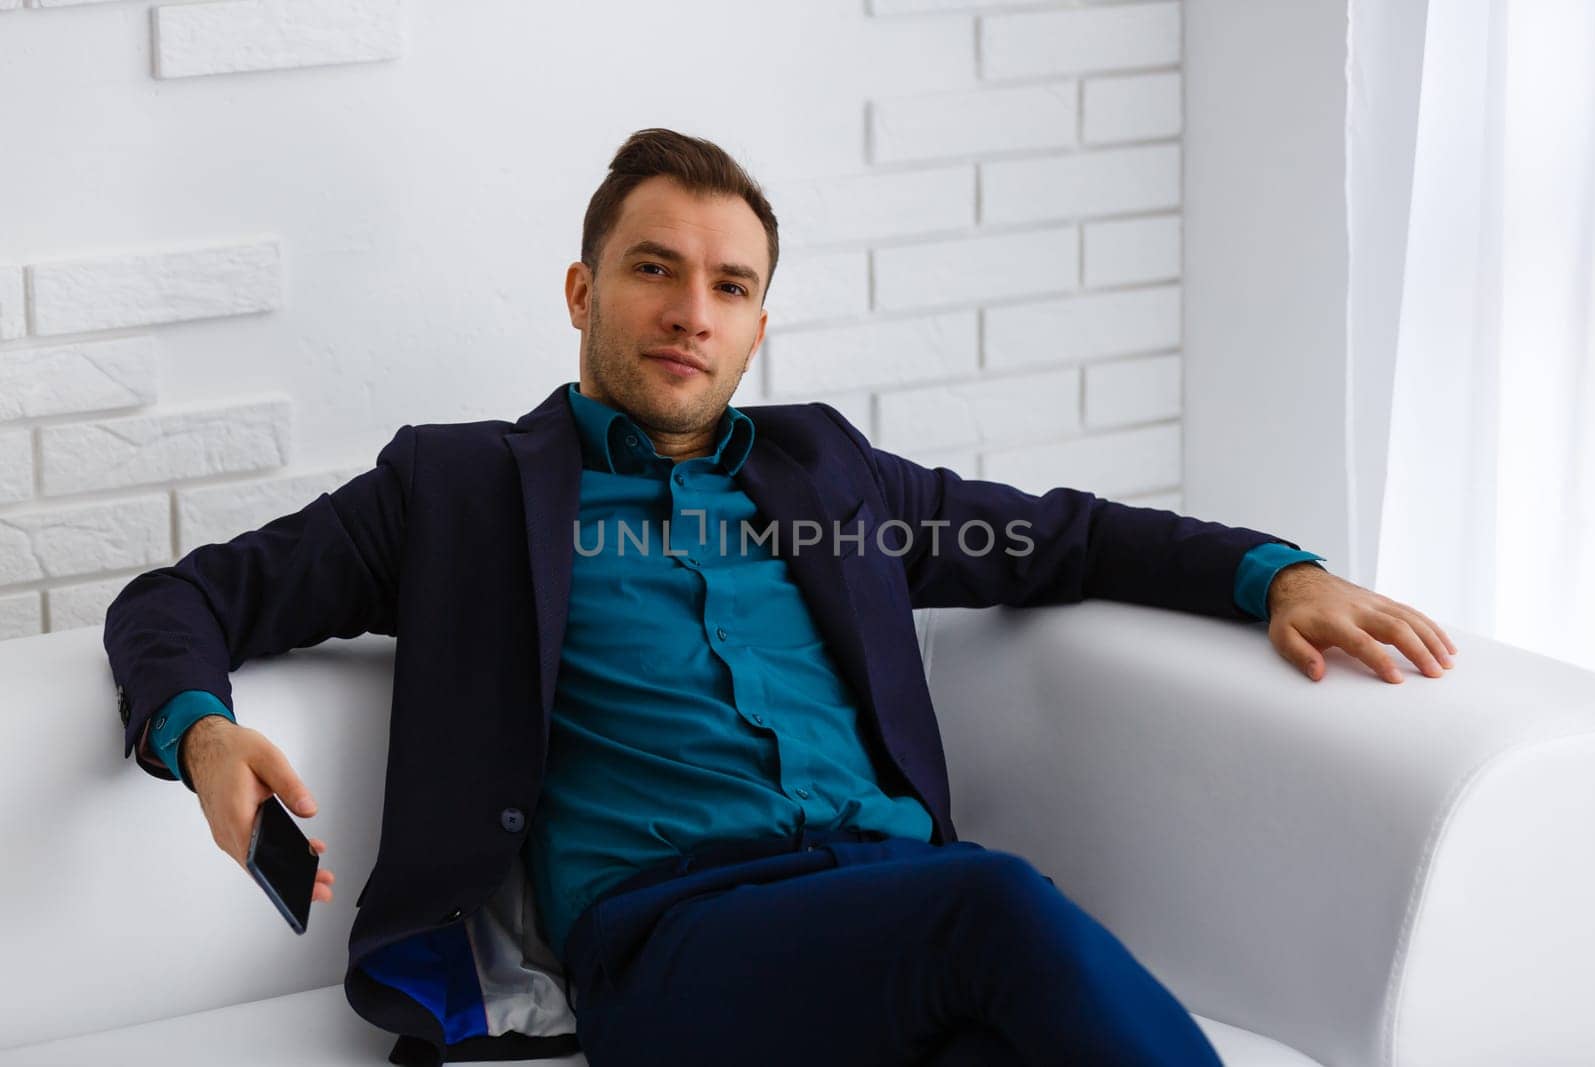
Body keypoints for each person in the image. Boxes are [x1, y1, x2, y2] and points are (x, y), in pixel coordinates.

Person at [105, 128, 1458, 1067]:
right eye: (654, 270)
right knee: (996, 912)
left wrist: (1278, 574)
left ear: (759, 325)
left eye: (730, 286)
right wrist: (203, 734)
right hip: (673, 944)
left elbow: (1071, 540)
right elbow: (186, 598)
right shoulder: (457, 492)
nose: (692, 310)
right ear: (583, 292)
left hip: (882, 908)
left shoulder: (834, 477)